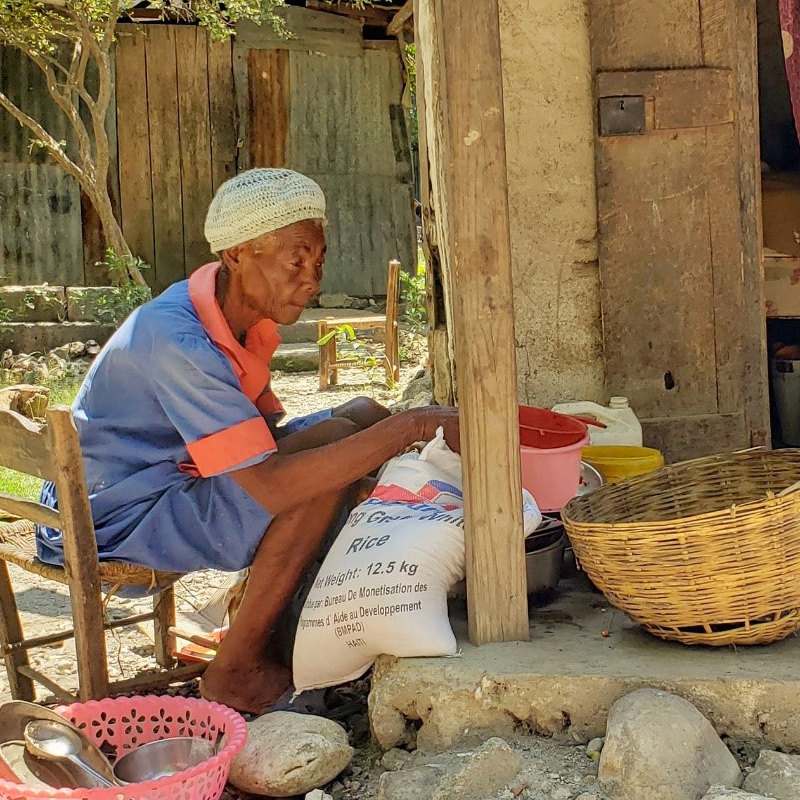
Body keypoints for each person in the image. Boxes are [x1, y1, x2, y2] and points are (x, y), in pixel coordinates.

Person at [35, 168, 459, 713]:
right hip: (114, 517)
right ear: (238, 254)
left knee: (357, 415)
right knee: (321, 483)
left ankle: (295, 616)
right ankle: (234, 668)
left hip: (166, 482)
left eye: (318, 260)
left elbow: (265, 441)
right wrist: (415, 426)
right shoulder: (179, 339)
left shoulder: (237, 319)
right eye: (295, 260)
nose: (312, 279)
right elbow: (268, 483)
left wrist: (389, 426)